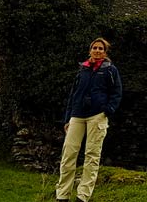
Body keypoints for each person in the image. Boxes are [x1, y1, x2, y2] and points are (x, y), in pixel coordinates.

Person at [56, 37, 122, 202]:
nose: (97, 51)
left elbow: (117, 93)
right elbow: (73, 94)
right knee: (68, 155)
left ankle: (83, 196)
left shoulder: (110, 70)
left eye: (101, 48)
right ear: (90, 50)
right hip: (77, 116)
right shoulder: (82, 70)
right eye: (95, 48)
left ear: (105, 52)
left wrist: (108, 110)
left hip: (97, 116)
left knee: (91, 156)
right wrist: (67, 118)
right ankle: (62, 195)